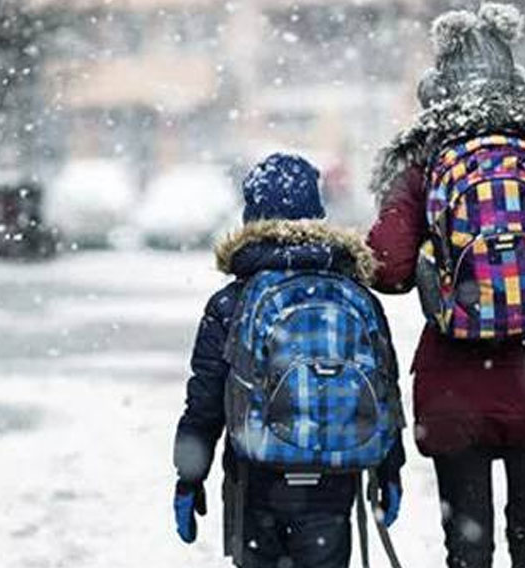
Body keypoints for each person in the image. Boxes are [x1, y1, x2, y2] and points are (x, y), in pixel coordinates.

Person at [365, 4, 525, 568]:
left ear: (437, 89)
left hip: (455, 385)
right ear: (518, 84)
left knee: (468, 547)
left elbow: (386, 265)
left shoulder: (423, 164)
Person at [173, 154, 406, 568]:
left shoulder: (232, 302)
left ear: (251, 217)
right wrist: (390, 468)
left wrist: (189, 477)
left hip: (257, 475)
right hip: (336, 476)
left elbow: (205, 399)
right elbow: (384, 386)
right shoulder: (355, 293)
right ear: (316, 214)